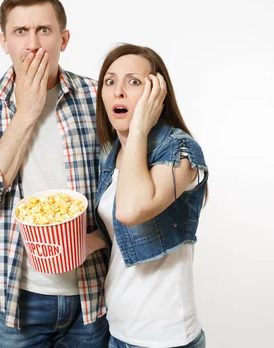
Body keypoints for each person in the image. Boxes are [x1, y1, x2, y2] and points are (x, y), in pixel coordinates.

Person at [0, 0, 109, 347]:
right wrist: (26, 111)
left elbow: (124, 187)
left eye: (44, 30)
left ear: (64, 38)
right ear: (4, 41)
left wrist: (100, 237)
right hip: (18, 301)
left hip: (91, 298)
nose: (33, 43)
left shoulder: (96, 97)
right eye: (20, 31)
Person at [87, 43, 209, 348]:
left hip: (165, 338)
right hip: (118, 330)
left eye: (134, 82)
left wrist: (139, 129)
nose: (118, 92)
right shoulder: (111, 156)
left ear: (157, 93)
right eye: (110, 81)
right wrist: (87, 242)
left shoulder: (180, 152)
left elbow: (131, 211)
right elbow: (125, 231)